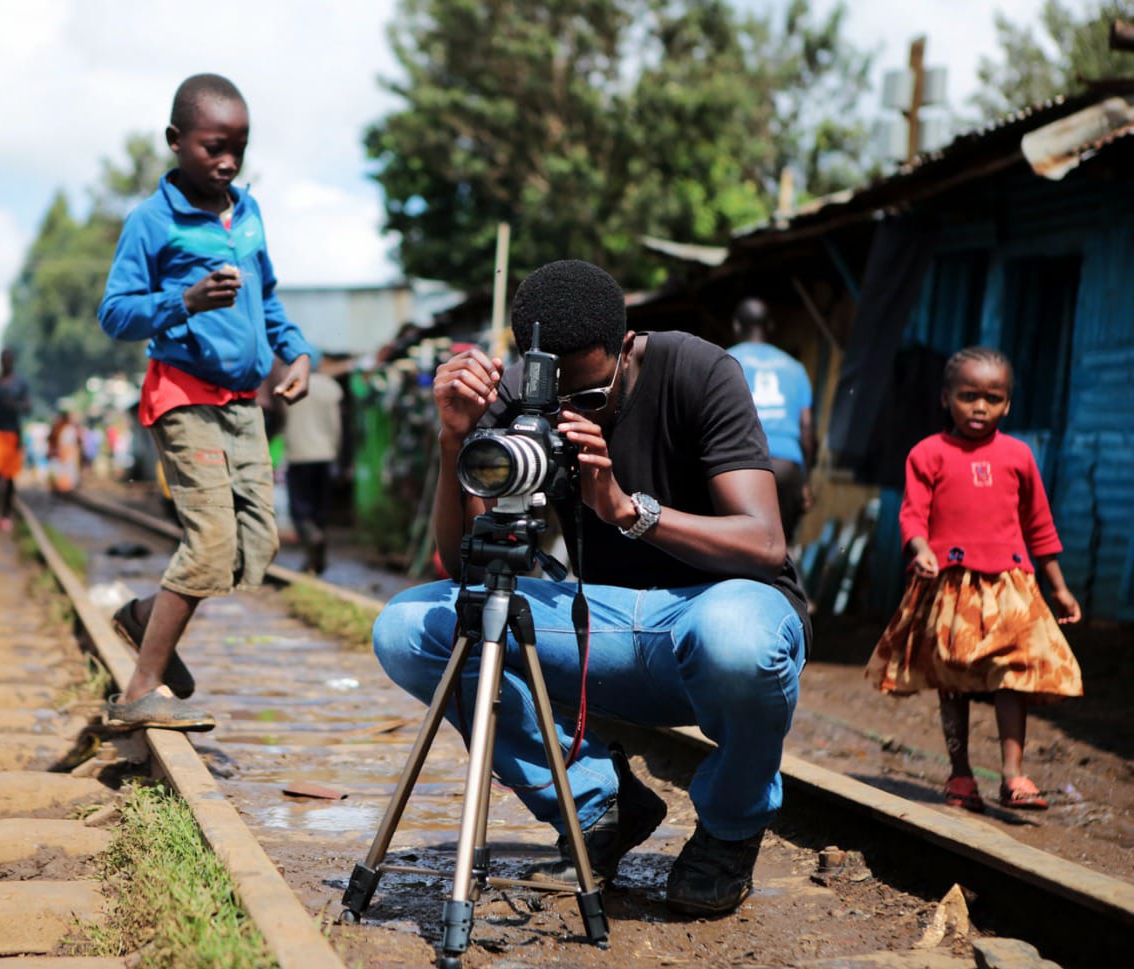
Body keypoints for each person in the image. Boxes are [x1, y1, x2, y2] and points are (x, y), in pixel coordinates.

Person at [372, 259, 808, 916]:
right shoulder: (519, 392)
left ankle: (729, 827)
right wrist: (453, 438)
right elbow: (464, 562)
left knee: (735, 636)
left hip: (716, 613)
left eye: (590, 399)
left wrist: (629, 510)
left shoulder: (699, 369)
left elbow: (764, 541)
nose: (570, 412)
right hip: (598, 622)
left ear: (626, 346)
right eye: (559, 399)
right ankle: (597, 803)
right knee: (409, 628)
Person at [97, 72, 314, 732]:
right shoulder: (152, 222)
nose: (226, 161)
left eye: (238, 148)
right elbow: (115, 313)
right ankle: (139, 689)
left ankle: (142, 619)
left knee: (256, 548)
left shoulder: (246, 213)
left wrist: (297, 352)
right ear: (175, 141)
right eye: (213, 146)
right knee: (211, 540)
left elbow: (268, 298)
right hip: (184, 394)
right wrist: (183, 301)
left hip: (244, 401)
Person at [865, 346, 1083, 812]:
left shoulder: (1019, 456)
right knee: (955, 678)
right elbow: (912, 516)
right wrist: (921, 550)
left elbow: (1039, 525)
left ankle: (1014, 775)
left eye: (992, 398)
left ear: (1007, 403)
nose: (980, 407)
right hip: (952, 583)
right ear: (946, 398)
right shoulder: (928, 454)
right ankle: (961, 774)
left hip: (1011, 584)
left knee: (1013, 673)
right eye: (968, 396)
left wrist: (1059, 587)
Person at [727, 298, 816, 548]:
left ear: (736, 326)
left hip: (742, 465)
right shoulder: (795, 367)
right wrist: (805, 481)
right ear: (770, 326)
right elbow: (807, 429)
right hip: (788, 468)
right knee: (781, 548)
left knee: (737, 546)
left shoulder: (725, 360)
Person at [282, 354, 343, 574]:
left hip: (299, 454)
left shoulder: (292, 384)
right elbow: (336, 425)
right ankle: (315, 562)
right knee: (319, 510)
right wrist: (336, 452)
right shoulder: (331, 387)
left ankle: (312, 540)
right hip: (325, 454)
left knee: (300, 509)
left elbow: (282, 418)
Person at [0, 348, 32, 531]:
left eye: (9, 360)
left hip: (12, 435)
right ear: (0, 361)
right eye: (4, 360)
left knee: (8, 477)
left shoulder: (20, 385)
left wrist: (16, 405)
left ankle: (5, 514)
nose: (6, 363)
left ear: (13, 362)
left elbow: (28, 407)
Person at [47, 409, 82, 495]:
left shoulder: (58, 428)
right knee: (66, 474)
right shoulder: (68, 429)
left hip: (60, 455)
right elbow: (67, 444)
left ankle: (61, 490)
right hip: (66, 454)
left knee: (61, 474)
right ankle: (64, 490)